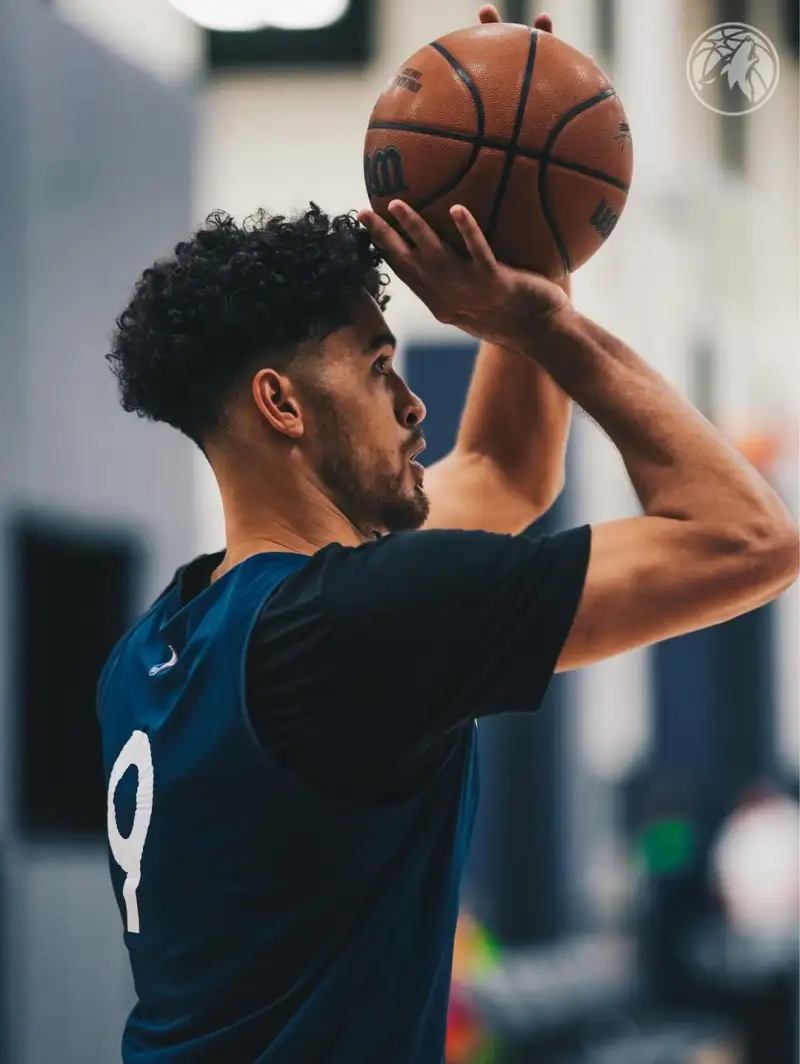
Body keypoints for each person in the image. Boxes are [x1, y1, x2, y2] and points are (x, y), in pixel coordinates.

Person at [98, 8, 798, 1062]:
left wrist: (532, 251)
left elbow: (508, 475)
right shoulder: (349, 629)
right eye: (382, 373)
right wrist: (546, 329)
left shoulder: (170, 642)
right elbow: (748, 537)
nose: (415, 404)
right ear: (283, 405)